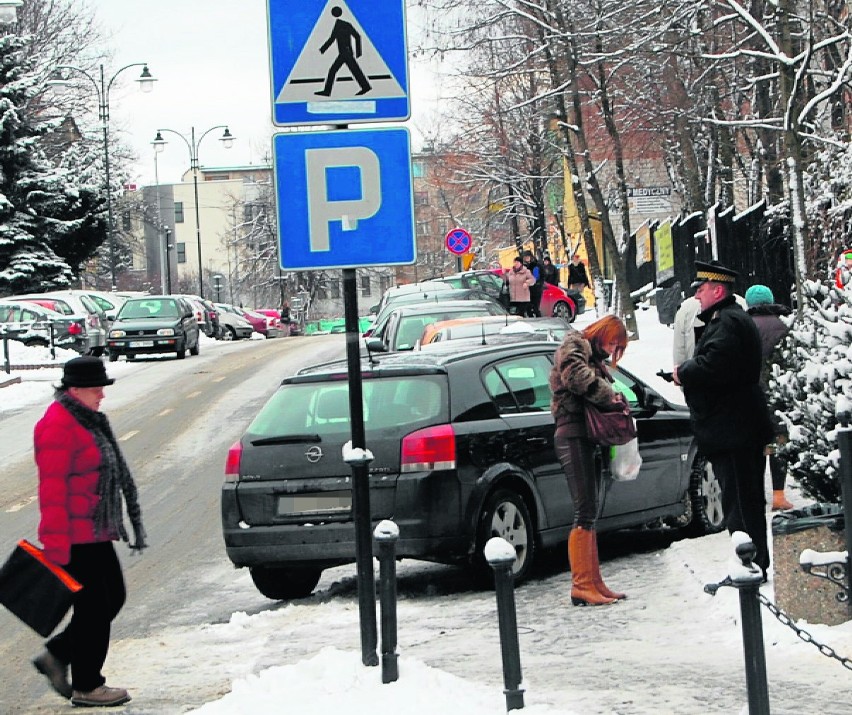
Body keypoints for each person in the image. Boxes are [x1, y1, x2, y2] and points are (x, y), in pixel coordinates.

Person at [32, 356, 146, 707]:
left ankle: (58, 654)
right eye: (97, 389)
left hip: (95, 530)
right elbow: (51, 490)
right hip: (75, 536)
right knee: (95, 608)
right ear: (75, 389)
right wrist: (55, 544)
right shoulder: (58, 426)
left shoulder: (85, 420)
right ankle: (87, 684)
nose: (102, 395)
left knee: (111, 600)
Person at [674, 261, 774, 578]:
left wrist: (683, 372)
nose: (697, 298)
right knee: (743, 500)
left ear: (718, 291)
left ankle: (751, 567)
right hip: (735, 428)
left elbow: (714, 365)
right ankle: (751, 563)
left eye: (701, 291)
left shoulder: (728, 322)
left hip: (735, 430)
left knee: (741, 504)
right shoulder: (727, 319)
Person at [550, 315, 629, 606]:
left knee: (590, 509)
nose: (611, 350)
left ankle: (594, 581)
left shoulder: (590, 353)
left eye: (616, 347)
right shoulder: (575, 345)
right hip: (573, 433)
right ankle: (581, 584)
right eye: (611, 342)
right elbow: (575, 377)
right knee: (584, 510)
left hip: (585, 434)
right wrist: (609, 396)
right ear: (601, 332)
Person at [745, 284, 794, 511]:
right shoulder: (783, 326)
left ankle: (754, 496)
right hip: (777, 395)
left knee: (754, 445)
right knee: (777, 444)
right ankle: (778, 495)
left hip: (750, 397)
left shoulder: (743, 327)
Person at [672, 292, 748, 368]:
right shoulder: (741, 303)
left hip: (695, 372)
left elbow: (679, 349)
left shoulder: (686, 307)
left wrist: (680, 373)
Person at [521, 250, 544, 317]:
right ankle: (532, 320)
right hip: (527, 291)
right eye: (525, 257)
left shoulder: (537, 265)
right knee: (528, 308)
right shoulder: (523, 267)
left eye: (527, 257)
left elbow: (542, 276)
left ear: (531, 257)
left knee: (535, 308)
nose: (526, 259)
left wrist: (539, 284)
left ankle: (539, 320)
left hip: (536, 290)